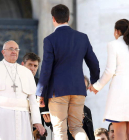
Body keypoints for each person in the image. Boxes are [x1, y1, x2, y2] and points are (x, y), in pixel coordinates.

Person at [36, 4, 100, 140]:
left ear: (53, 19)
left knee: (60, 130)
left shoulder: (50, 40)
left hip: (57, 92)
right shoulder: (82, 37)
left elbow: (46, 69)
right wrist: (95, 82)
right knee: (77, 127)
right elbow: (94, 63)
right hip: (78, 89)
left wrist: (40, 93)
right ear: (68, 18)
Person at [0, 40, 45, 140]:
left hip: (23, 117)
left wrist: (37, 121)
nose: (14, 51)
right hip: (0, 117)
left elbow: (33, 99)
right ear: (3, 52)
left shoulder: (26, 72)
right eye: (11, 49)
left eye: (16, 49)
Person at [89, 19, 129, 140]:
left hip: (120, 92)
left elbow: (109, 71)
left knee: (120, 131)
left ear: (117, 31)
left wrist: (97, 86)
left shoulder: (114, 44)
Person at [22, 52, 50, 140]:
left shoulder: (42, 86)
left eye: (35, 66)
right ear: (22, 65)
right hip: (19, 128)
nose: (32, 68)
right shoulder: (14, 83)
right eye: (30, 64)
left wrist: (49, 122)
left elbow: (46, 110)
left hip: (37, 133)